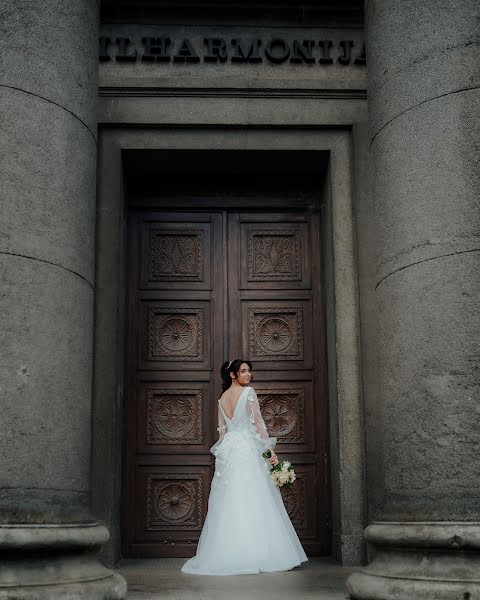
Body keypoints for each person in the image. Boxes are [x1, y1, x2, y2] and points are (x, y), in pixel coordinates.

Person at [181, 359, 307, 575]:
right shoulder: (248, 393)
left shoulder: (221, 399)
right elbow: (257, 424)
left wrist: (223, 460)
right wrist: (269, 451)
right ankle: (256, 553)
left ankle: (230, 553)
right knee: (254, 497)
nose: (248, 375)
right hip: (247, 449)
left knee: (231, 499)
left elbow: (222, 434)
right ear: (232, 374)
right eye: (243, 371)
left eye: (249, 371)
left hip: (230, 451)